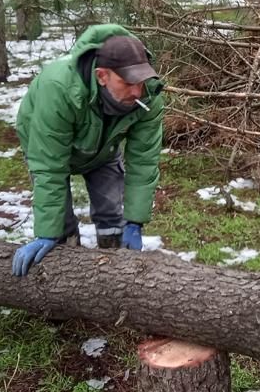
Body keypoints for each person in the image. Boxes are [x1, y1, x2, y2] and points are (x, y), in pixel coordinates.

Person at [12, 25, 164, 277]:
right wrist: (48, 231)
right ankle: (64, 272)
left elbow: (144, 161)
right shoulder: (59, 89)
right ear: (102, 75)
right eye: (127, 82)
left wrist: (135, 222)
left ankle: (115, 270)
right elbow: (49, 167)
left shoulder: (148, 98)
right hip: (46, 144)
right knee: (60, 224)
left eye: (141, 80)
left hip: (103, 150)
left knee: (111, 214)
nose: (137, 90)